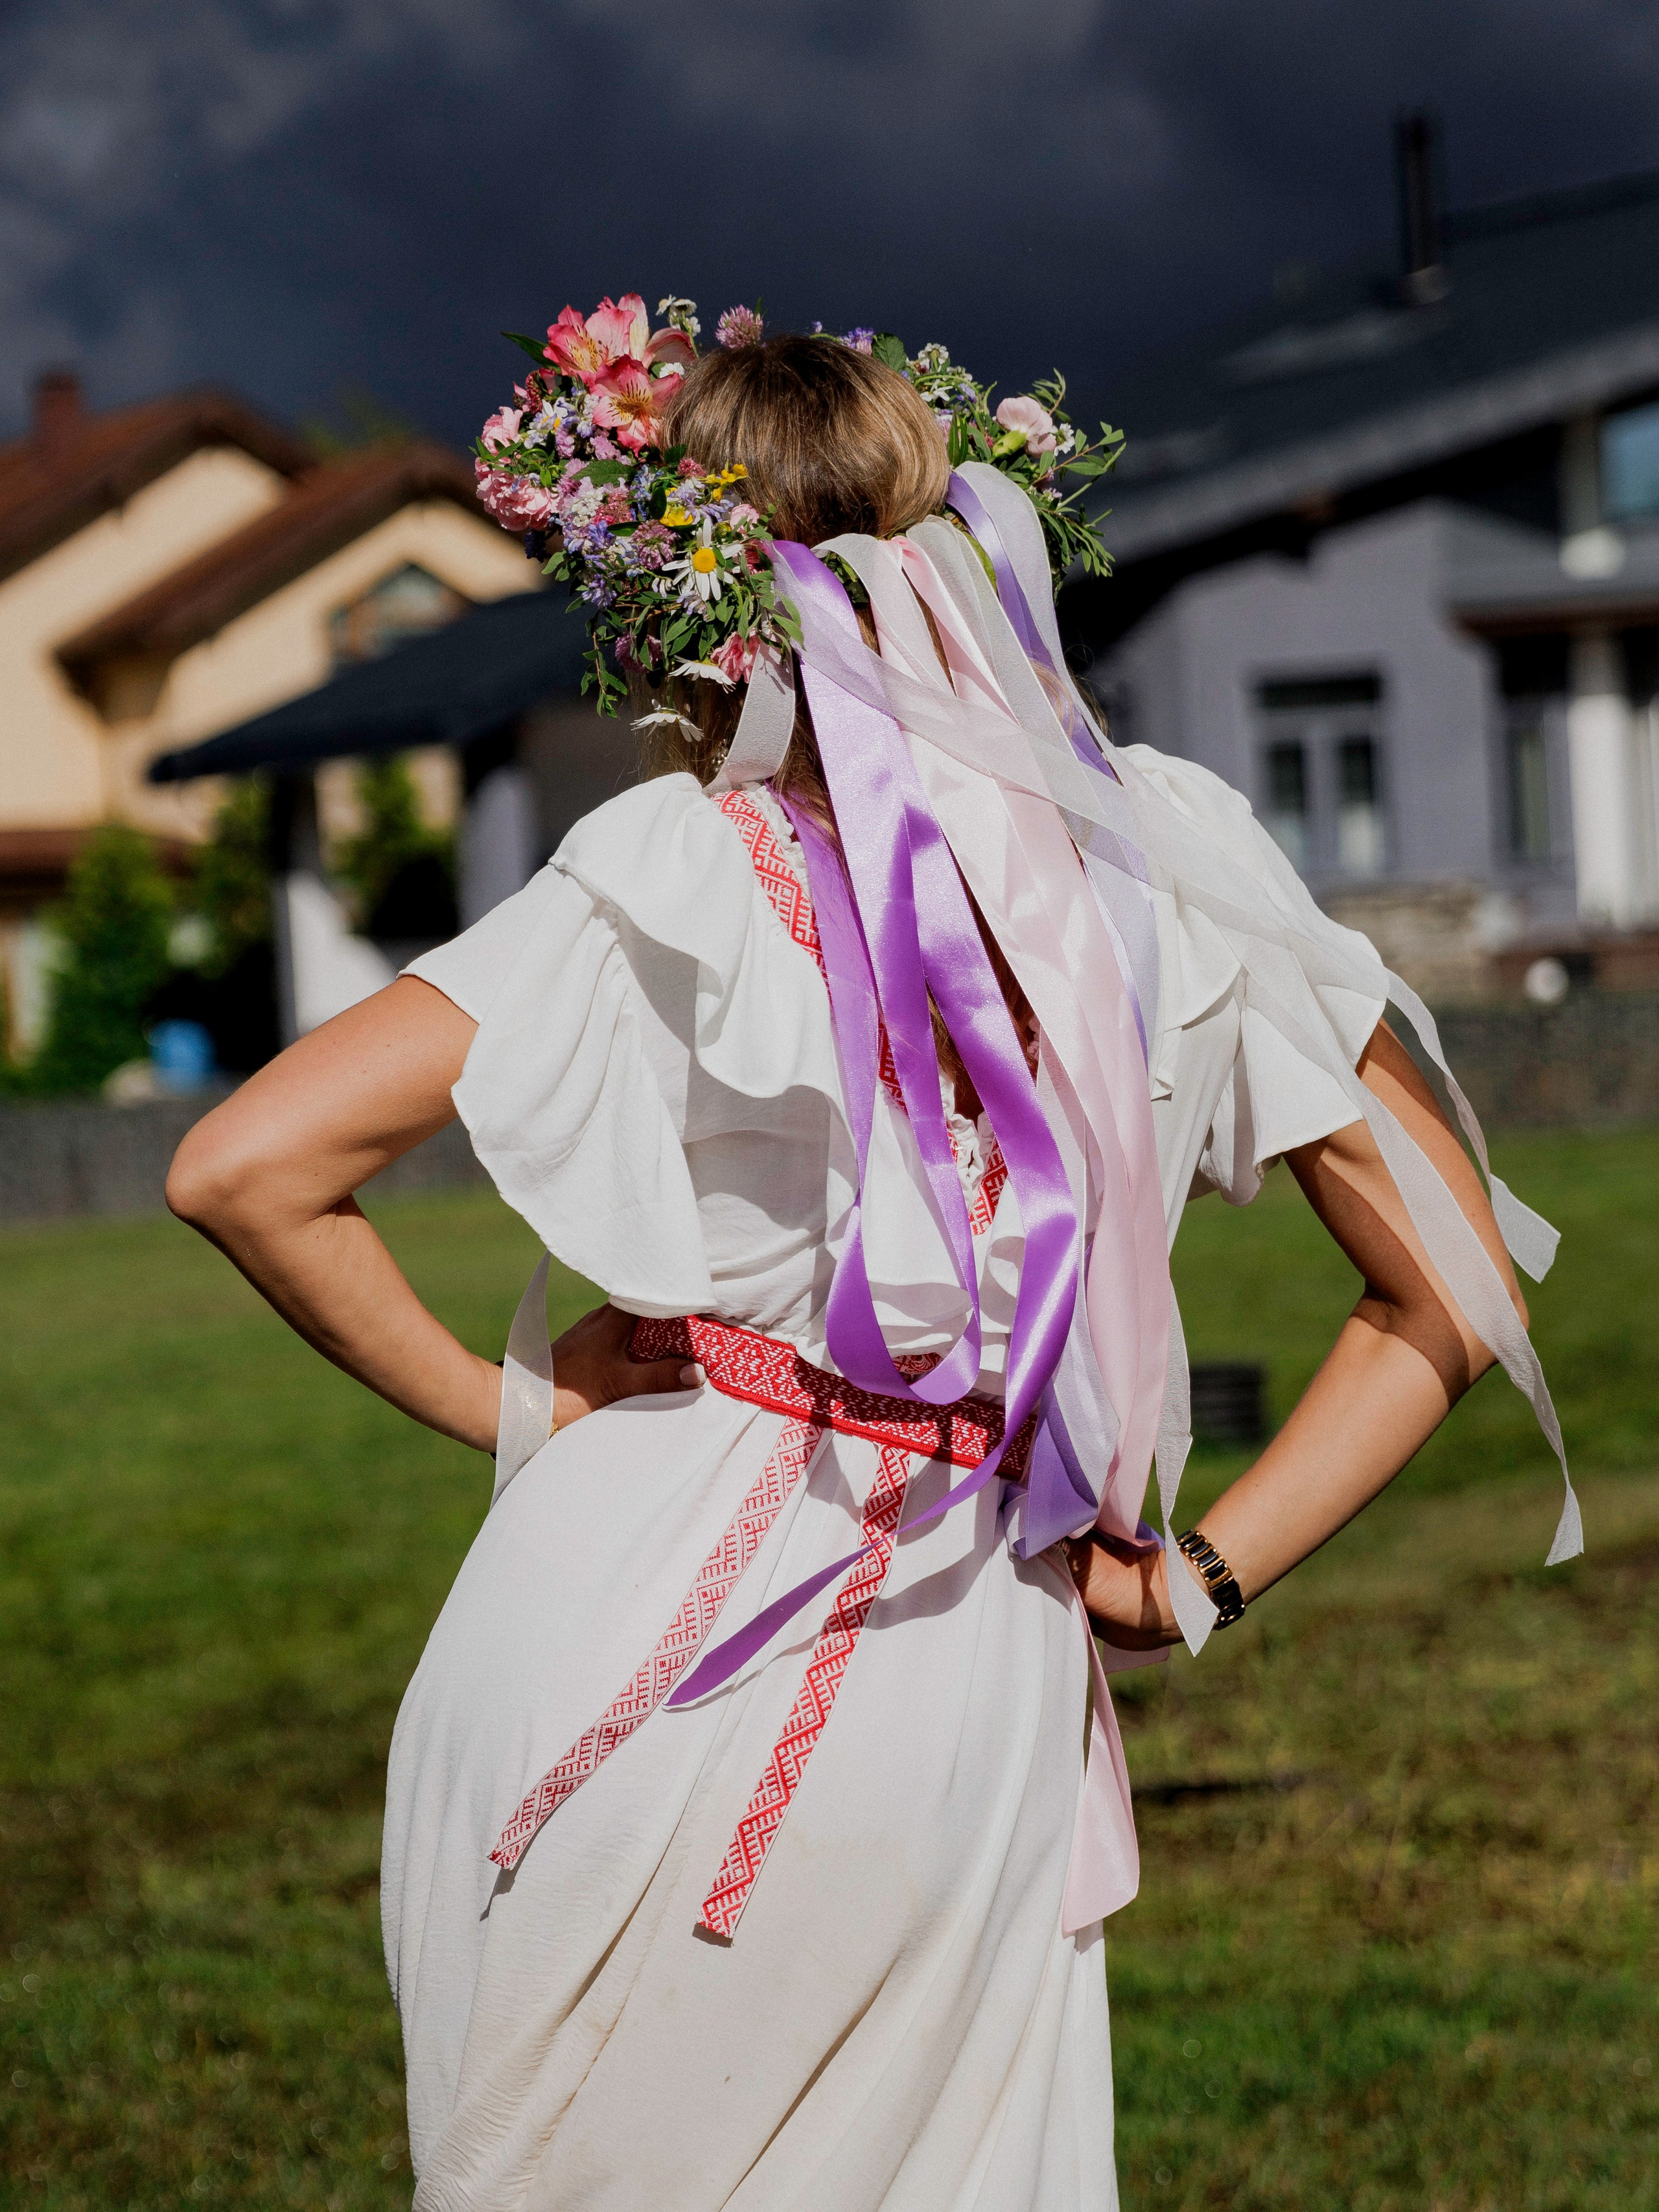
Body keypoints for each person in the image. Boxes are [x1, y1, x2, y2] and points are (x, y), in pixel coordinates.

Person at [168, 321, 1575, 2212]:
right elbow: (1454, 1280)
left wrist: (526, 1407)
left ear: (690, 617)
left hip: (599, 1631)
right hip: (959, 1657)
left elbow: (245, 1166)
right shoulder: (1166, 860)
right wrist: (1199, 1580)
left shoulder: (677, 864)